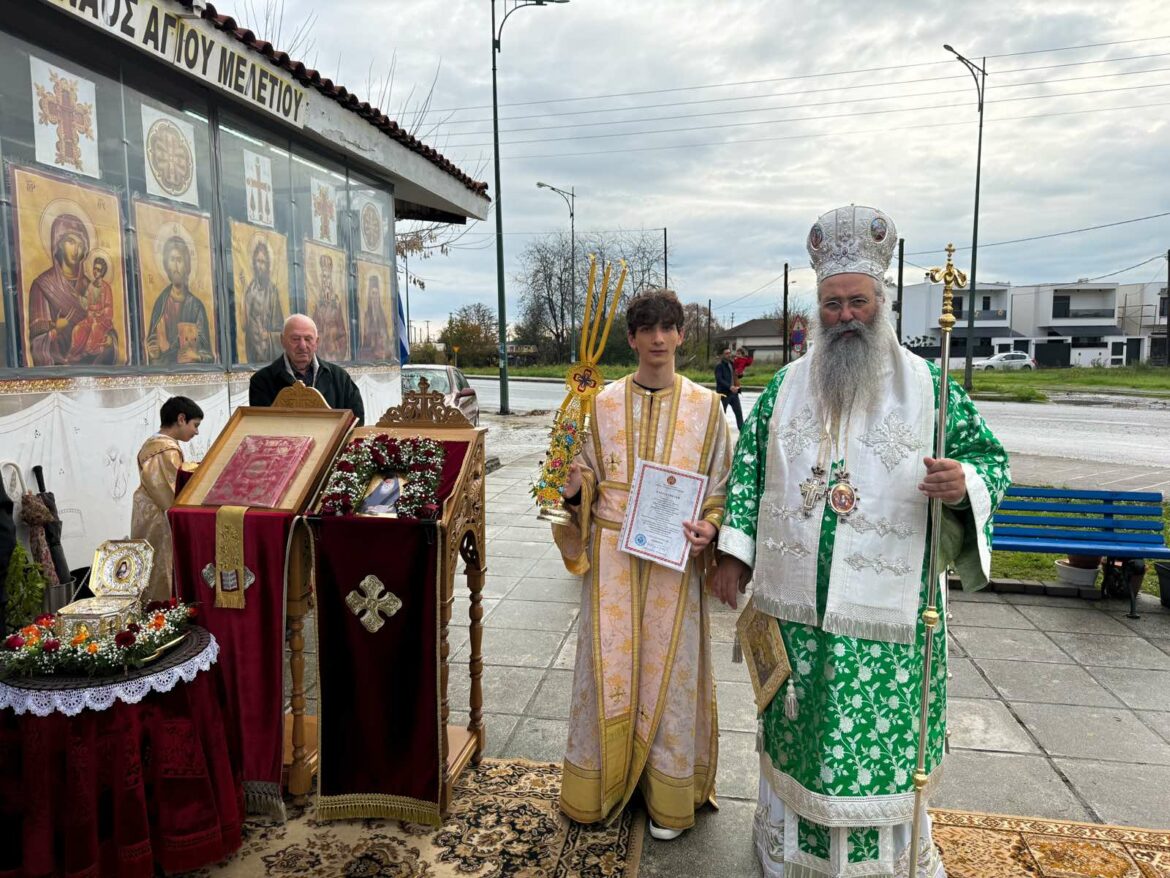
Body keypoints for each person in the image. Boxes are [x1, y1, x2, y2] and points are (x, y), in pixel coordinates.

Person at [709, 205, 1010, 878]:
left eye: (857, 302)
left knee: (878, 752)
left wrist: (962, 483)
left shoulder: (929, 388)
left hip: (888, 625)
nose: (845, 315)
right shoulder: (784, 388)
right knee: (801, 740)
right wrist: (732, 554)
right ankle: (791, 859)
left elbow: (991, 460)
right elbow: (749, 473)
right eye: (832, 303)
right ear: (817, 310)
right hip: (796, 617)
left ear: (882, 305)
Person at [554, 288, 732, 841]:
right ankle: (599, 785)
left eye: (667, 328)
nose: (658, 338)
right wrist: (573, 488)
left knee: (670, 675)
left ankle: (666, 795)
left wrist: (712, 526)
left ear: (681, 335)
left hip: (674, 563)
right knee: (607, 670)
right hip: (611, 560)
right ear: (631, 339)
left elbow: (721, 485)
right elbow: (580, 478)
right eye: (647, 329)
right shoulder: (600, 405)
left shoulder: (707, 408)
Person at [130, 396, 203, 602]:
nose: (196, 432)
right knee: (161, 572)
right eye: (195, 425)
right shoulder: (164, 449)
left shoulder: (159, 445)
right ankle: (161, 613)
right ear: (181, 419)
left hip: (150, 515)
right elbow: (171, 492)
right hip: (159, 520)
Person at [28, 214, 117, 366]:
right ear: (59, 243)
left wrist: (110, 341)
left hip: (92, 367)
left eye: (80, 245)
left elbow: (108, 325)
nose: (76, 250)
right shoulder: (43, 285)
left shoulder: (91, 285)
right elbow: (36, 342)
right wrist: (55, 329)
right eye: (70, 241)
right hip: (60, 371)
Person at [249, 313, 366, 424]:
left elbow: (356, 422)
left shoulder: (340, 378)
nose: (302, 346)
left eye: (308, 339)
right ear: (282, 341)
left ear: (317, 342)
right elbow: (262, 427)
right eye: (295, 339)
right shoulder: (261, 381)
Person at [145, 236, 214, 365]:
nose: (176, 266)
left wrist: (196, 356)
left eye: (179, 260)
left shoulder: (196, 306)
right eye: (172, 260)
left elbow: (207, 354)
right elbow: (154, 345)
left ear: (186, 266)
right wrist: (154, 352)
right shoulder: (161, 303)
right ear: (166, 265)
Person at [66, 256, 115, 363]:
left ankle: (87, 353)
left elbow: (109, 308)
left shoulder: (106, 288)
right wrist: (78, 297)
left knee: (95, 327)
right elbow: (86, 303)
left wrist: (99, 313)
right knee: (78, 328)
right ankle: (74, 353)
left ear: (102, 272)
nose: (95, 271)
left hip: (102, 321)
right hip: (90, 318)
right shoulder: (90, 286)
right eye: (94, 268)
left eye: (98, 269)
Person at [243, 239, 285, 363]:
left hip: (268, 348)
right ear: (253, 263)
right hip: (252, 347)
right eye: (258, 261)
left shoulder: (272, 292)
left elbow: (280, 328)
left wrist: (269, 335)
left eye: (263, 262)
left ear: (268, 265)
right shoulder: (250, 290)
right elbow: (245, 324)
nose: (260, 266)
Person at [312, 253, 349, 361]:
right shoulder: (318, 305)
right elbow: (313, 332)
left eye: (327, 277)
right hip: (321, 354)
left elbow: (342, 334)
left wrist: (336, 347)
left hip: (334, 354)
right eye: (323, 277)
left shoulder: (336, 305)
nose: (325, 281)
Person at [360, 274, 391, 361]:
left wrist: (383, 338)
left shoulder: (382, 315)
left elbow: (386, 336)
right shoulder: (367, 315)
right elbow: (365, 337)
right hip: (370, 352)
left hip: (382, 352)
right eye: (373, 293)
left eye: (376, 293)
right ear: (370, 296)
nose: (375, 297)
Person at [715, 346, 744, 429]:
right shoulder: (719, 366)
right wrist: (729, 387)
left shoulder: (732, 364)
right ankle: (719, 431)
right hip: (724, 394)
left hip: (734, 393)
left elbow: (736, 375)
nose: (729, 355)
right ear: (722, 355)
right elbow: (719, 379)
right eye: (726, 353)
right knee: (722, 414)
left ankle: (742, 431)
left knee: (739, 413)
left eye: (729, 353)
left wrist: (740, 374)